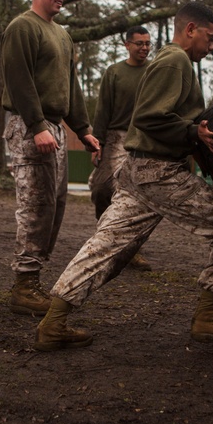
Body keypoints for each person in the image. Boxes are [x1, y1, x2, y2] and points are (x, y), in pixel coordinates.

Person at [33, 2, 213, 351]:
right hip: (159, 172)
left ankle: (53, 323)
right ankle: (208, 314)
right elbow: (151, 117)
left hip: (138, 172)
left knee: (107, 248)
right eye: (210, 38)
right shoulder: (175, 61)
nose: (211, 46)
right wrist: (192, 132)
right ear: (191, 30)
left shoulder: (167, 60)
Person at [1, 0, 100, 316]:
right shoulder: (22, 27)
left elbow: (69, 87)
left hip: (53, 126)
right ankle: (24, 286)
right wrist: (37, 124)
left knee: (55, 204)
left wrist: (84, 129)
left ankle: (33, 277)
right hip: (30, 126)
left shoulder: (61, 34)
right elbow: (18, 79)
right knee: (36, 204)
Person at [89, 25, 153, 271]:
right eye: (139, 43)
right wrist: (98, 142)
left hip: (143, 139)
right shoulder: (114, 72)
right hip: (115, 137)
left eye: (147, 43)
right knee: (101, 188)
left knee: (133, 194)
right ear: (127, 45)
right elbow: (102, 109)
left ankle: (130, 251)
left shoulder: (154, 72)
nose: (144, 48)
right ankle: (104, 237)